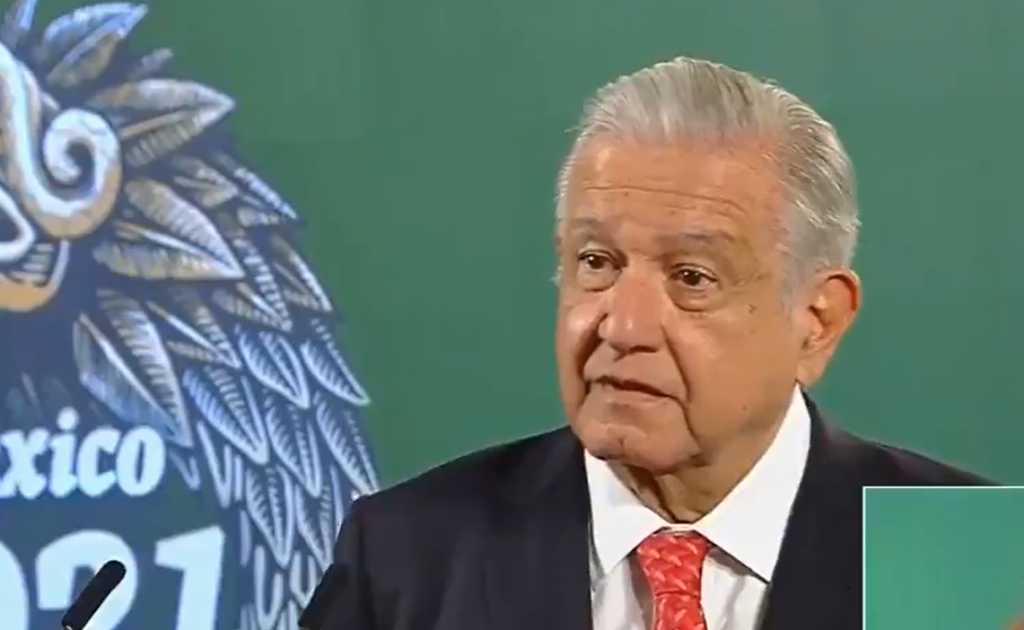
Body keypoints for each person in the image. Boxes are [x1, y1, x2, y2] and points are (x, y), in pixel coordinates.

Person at [314, 56, 993, 630]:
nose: (623, 326)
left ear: (817, 320)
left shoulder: (967, 562)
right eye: (596, 263)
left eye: (691, 277)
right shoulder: (408, 559)